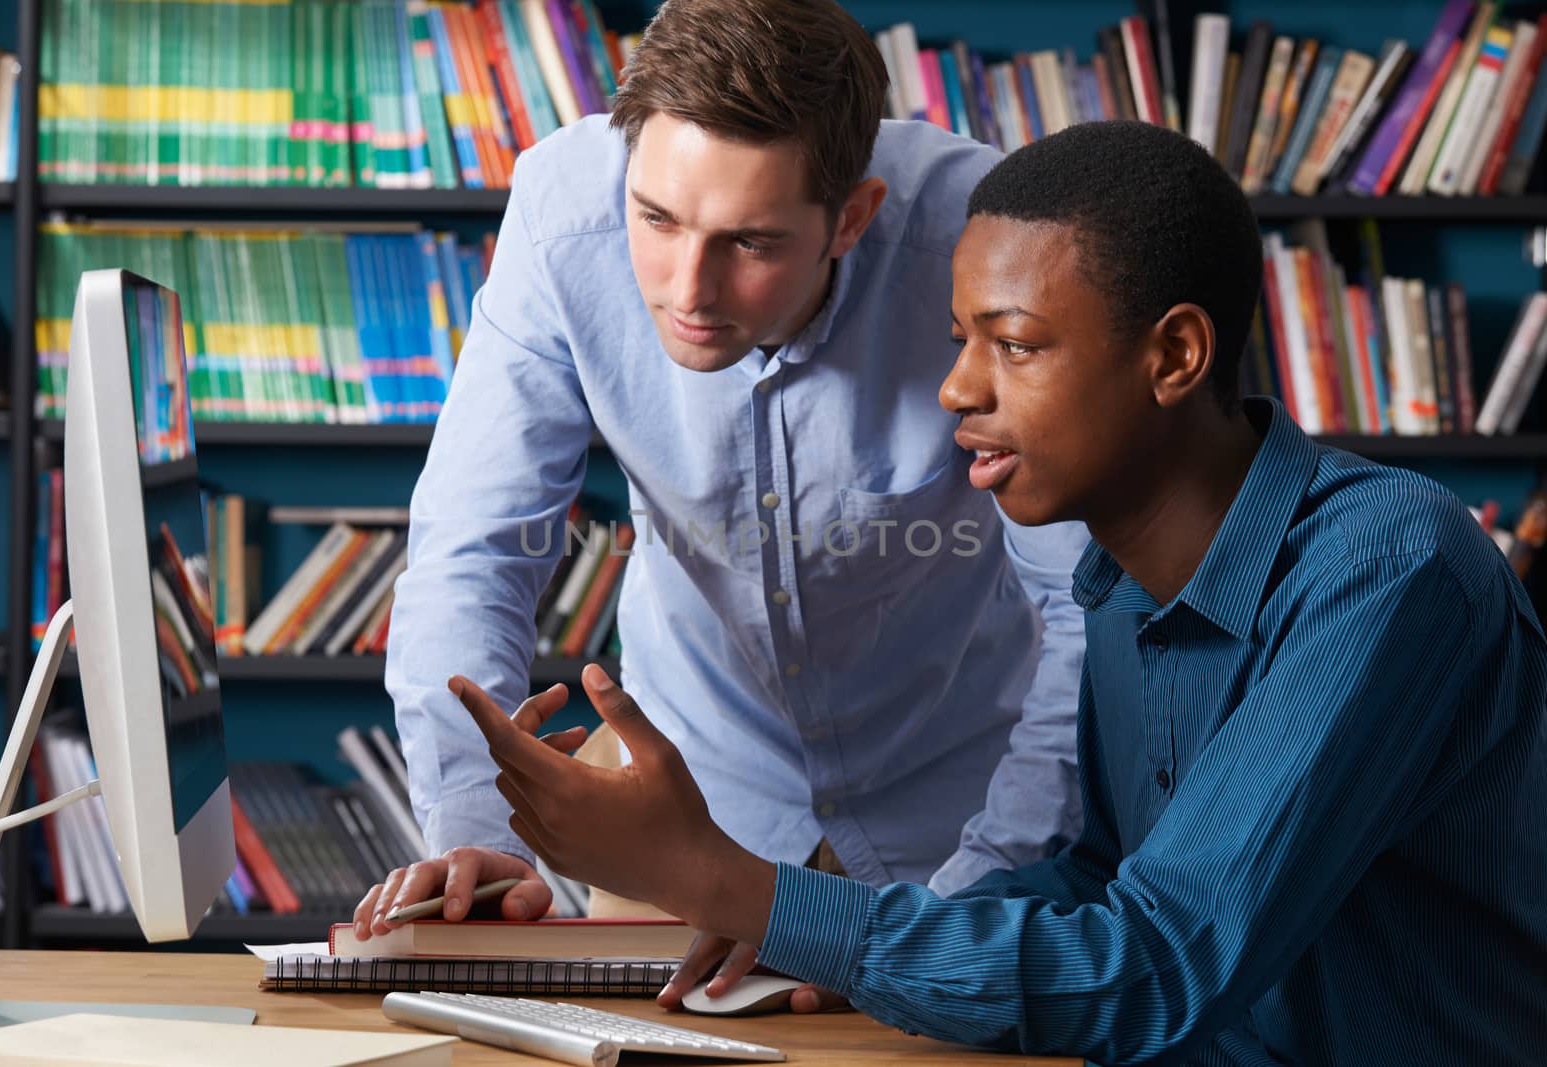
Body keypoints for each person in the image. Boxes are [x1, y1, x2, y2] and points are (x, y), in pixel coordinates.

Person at [452, 120, 1547, 1064]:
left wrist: (718, 877)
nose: (956, 388)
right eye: (957, 339)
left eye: (1014, 345)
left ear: (1172, 356)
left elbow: (1153, 965)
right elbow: (1094, 878)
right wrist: (858, 951)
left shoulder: (1386, 569)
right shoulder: (1118, 577)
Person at [362, 0, 1089, 941]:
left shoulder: (985, 238)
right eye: (656, 220)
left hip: (965, 814)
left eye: (750, 243)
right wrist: (477, 824)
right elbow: (475, 547)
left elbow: (1088, 599)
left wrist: (984, 884)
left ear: (850, 217)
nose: (687, 291)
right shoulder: (562, 213)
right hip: (686, 827)